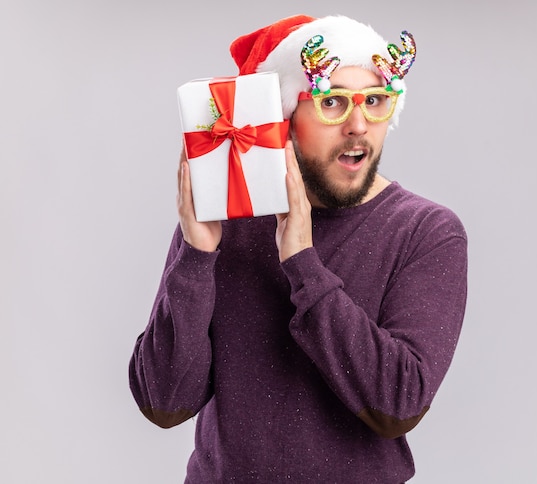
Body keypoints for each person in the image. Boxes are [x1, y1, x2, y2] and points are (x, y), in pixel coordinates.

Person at [129, 14, 468, 483]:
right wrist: (196, 256)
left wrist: (302, 261)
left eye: (375, 101)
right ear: (284, 120)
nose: (357, 125)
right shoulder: (226, 221)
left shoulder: (426, 231)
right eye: (331, 102)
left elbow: (398, 404)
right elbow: (163, 402)